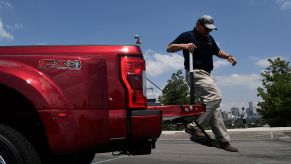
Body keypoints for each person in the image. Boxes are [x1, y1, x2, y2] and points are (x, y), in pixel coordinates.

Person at [166, 15, 238, 152]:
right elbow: (169, 48)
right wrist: (184, 46)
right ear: (198, 24)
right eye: (206, 28)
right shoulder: (188, 35)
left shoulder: (209, 38)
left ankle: (223, 140)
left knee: (214, 107)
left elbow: (217, 51)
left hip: (207, 74)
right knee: (216, 96)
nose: (208, 32)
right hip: (195, 72)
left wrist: (228, 56)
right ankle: (194, 126)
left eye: (210, 30)